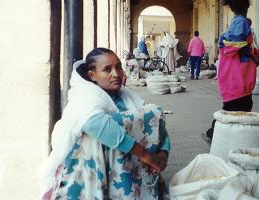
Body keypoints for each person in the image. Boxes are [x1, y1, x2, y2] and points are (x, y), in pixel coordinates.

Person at [39, 48, 170, 199]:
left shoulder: (126, 97)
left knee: (152, 111)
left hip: (130, 178)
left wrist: (163, 155)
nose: (116, 74)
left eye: (118, 67)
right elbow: (97, 125)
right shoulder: (85, 99)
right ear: (92, 75)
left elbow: (157, 124)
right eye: (107, 69)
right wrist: (146, 155)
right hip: (93, 176)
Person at [202, 0, 259, 143]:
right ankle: (218, 134)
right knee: (238, 108)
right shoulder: (241, 22)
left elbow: (239, 45)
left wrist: (253, 55)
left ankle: (217, 133)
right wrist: (250, 53)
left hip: (235, 74)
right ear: (247, 4)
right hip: (237, 75)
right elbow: (231, 44)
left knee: (234, 107)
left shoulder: (239, 22)